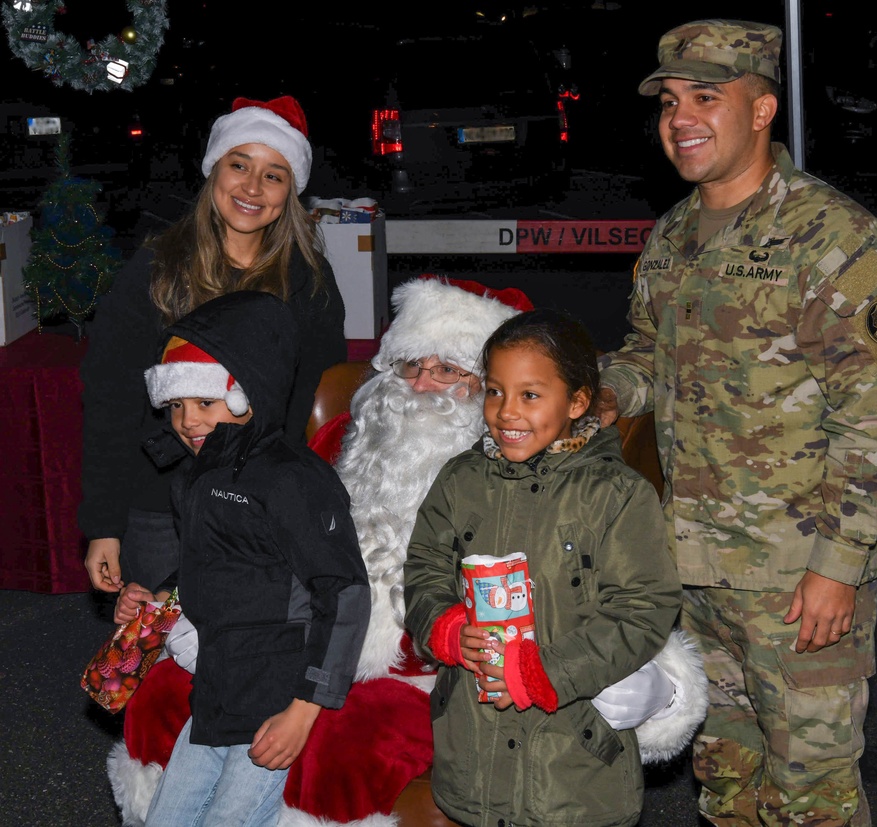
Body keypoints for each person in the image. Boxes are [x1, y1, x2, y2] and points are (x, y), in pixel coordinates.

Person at [110, 278, 706, 826]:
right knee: (163, 697)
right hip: (294, 641)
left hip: (432, 674)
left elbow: (617, 591)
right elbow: (249, 545)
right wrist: (176, 605)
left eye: (448, 369)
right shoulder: (334, 444)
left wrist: (661, 683)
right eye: (408, 365)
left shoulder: (531, 477)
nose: (420, 385)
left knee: (350, 743)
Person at [595, 19, 877, 826]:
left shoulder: (835, 239)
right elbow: (651, 352)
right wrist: (606, 392)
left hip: (798, 577)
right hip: (696, 566)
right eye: (671, 100)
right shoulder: (673, 237)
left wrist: (837, 568)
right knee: (728, 779)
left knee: (813, 796)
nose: (681, 117)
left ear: (762, 109)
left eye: (706, 96)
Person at [403, 308, 686, 827]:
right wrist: (442, 625)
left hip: (572, 760)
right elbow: (423, 566)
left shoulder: (615, 495)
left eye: (530, 395)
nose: (506, 412)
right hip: (474, 744)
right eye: (494, 391)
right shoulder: (460, 479)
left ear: (578, 401)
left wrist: (546, 671)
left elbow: (643, 608)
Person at [112, 289, 370, 826]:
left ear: (245, 394)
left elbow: (343, 591)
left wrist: (303, 711)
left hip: (277, 696)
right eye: (177, 405)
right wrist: (160, 595)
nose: (187, 421)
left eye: (204, 403)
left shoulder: (291, 478)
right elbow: (217, 565)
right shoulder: (196, 478)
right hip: (217, 688)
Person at [80, 95, 347, 599]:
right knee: (164, 655)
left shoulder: (307, 280)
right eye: (239, 164)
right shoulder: (156, 269)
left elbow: (318, 404)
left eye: (273, 174)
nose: (252, 186)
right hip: (161, 507)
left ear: (290, 191)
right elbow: (110, 400)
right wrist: (104, 524)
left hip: (264, 502)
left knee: (250, 650)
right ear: (213, 171)